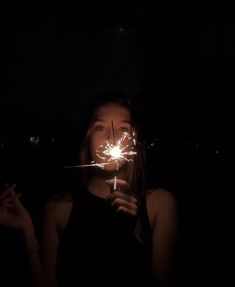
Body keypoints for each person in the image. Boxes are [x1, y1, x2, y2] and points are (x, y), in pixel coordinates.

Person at [0, 92, 178, 287]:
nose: (113, 136)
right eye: (100, 127)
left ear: (133, 142)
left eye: (124, 129)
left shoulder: (160, 204)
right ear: (88, 139)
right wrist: (27, 231)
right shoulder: (58, 209)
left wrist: (130, 230)